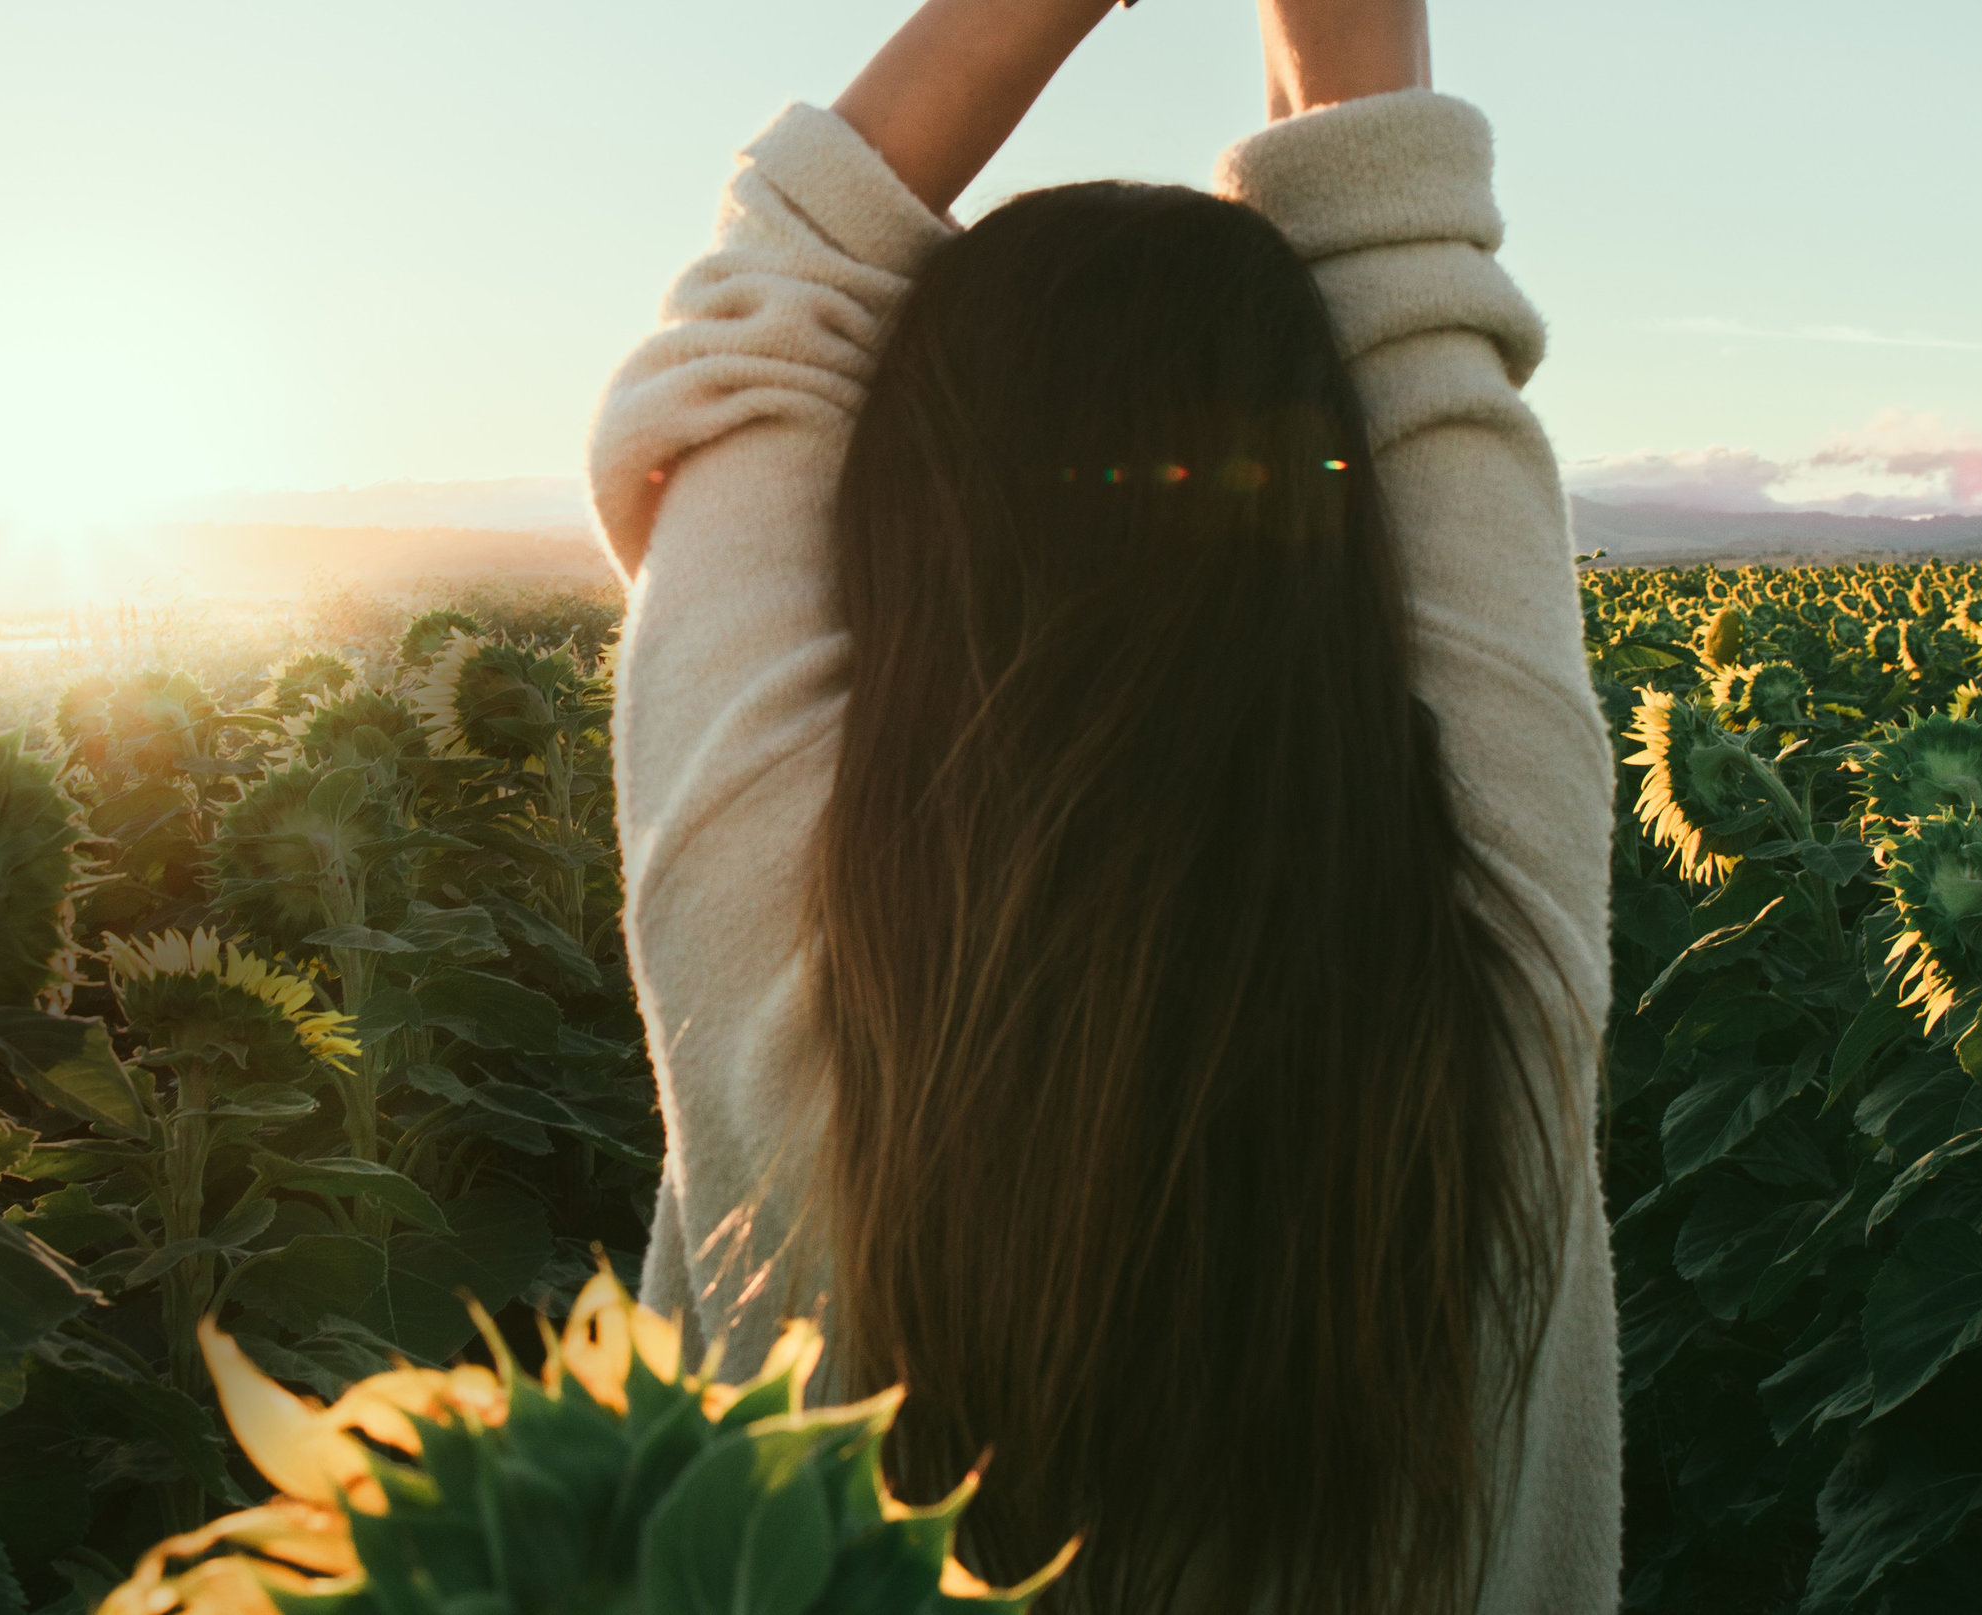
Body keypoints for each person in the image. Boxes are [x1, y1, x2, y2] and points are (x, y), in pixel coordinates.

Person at [586, 0, 1618, 1609]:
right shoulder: (1504, 928)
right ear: (1345, 521)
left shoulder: (774, 955)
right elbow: (1413, 299)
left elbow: (768, 310)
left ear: (896, 527)